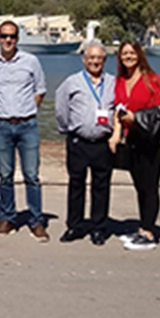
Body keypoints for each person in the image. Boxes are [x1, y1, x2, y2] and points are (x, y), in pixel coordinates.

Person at [0, 20, 49, 242]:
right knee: (5, 176)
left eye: (11, 36)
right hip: (1, 125)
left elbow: (40, 90)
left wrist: (26, 110)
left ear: (17, 38)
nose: (8, 40)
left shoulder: (31, 61)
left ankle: (36, 220)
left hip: (27, 124)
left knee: (31, 175)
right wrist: (3, 109)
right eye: (3, 36)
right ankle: (8, 216)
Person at [109, 41, 160, 251]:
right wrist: (116, 135)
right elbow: (118, 110)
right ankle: (143, 226)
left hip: (151, 139)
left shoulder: (151, 78)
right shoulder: (120, 81)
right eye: (124, 54)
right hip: (132, 139)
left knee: (150, 186)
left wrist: (138, 117)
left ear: (139, 55)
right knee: (139, 186)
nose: (128, 57)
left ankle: (149, 232)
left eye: (132, 53)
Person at [55, 42, 115, 246]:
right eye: (91, 58)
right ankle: (75, 226)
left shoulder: (113, 83)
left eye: (99, 58)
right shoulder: (72, 82)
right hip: (78, 142)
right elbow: (61, 106)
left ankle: (98, 228)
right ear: (84, 59)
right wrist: (67, 129)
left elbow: (119, 110)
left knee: (101, 186)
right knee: (76, 185)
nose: (95, 61)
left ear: (104, 60)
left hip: (103, 143)